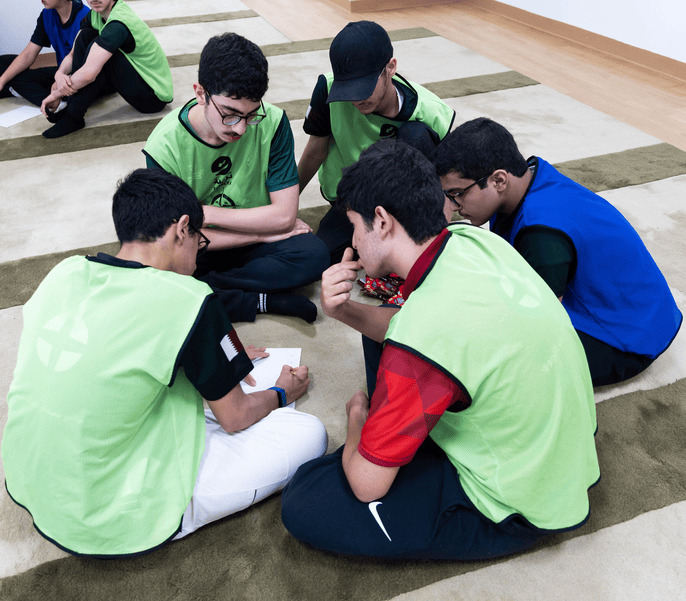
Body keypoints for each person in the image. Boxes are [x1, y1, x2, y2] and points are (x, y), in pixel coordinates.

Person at [281, 139, 600, 560]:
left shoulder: (422, 336)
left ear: (381, 221)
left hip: (522, 501)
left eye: (355, 225)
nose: (353, 240)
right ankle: (393, 435)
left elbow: (365, 485)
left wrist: (359, 418)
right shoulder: (472, 240)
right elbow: (415, 330)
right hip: (563, 449)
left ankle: (406, 452)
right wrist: (342, 311)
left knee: (306, 496)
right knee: (388, 333)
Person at [1, 168, 327, 558]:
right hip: (110, 515)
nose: (199, 255)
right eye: (200, 242)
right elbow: (236, 417)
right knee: (309, 433)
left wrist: (211, 354)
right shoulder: (189, 297)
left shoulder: (64, 272)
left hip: (29, 477)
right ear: (182, 228)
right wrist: (281, 392)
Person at [434, 117, 683, 386]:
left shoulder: (542, 234)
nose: (454, 205)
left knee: (483, 356)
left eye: (457, 193)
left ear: (499, 180)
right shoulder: (533, 176)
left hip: (625, 341)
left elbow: (541, 326)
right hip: (643, 311)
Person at [144, 33, 329, 324]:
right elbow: (176, 236)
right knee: (159, 258)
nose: (241, 128)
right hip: (205, 245)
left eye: (251, 115)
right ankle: (257, 299)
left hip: (246, 239)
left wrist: (203, 213)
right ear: (200, 93)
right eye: (230, 115)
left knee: (314, 255)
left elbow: (284, 216)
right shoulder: (164, 147)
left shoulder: (273, 122)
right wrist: (262, 233)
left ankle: (205, 292)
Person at [298, 20, 456, 265]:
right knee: (321, 257)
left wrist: (436, 234)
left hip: (402, 201)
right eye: (347, 89)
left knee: (416, 135)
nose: (356, 99)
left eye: (364, 87)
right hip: (350, 199)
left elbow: (443, 181)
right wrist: (285, 207)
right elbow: (314, 152)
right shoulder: (327, 91)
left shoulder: (432, 113)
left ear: (390, 68)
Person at [39, 0, 173, 138]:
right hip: (135, 79)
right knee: (85, 36)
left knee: (102, 54)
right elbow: (73, 54)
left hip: (152, 96)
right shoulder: (94, 15)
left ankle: (74, 116)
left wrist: (57, 94)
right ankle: (72, 108)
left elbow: (89, 74)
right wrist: (59, 75)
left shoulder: (118, 24)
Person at [0, 0, 90, 108]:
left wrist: (60, 83)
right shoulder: (47, 14)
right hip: (61, 72)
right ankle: (53, 98)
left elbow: (88, 67)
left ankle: (54, 101)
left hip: (81, 74)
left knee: (81, 90)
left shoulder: (86, 17)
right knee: (9, 68)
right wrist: (2, 80)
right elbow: (28, 54)